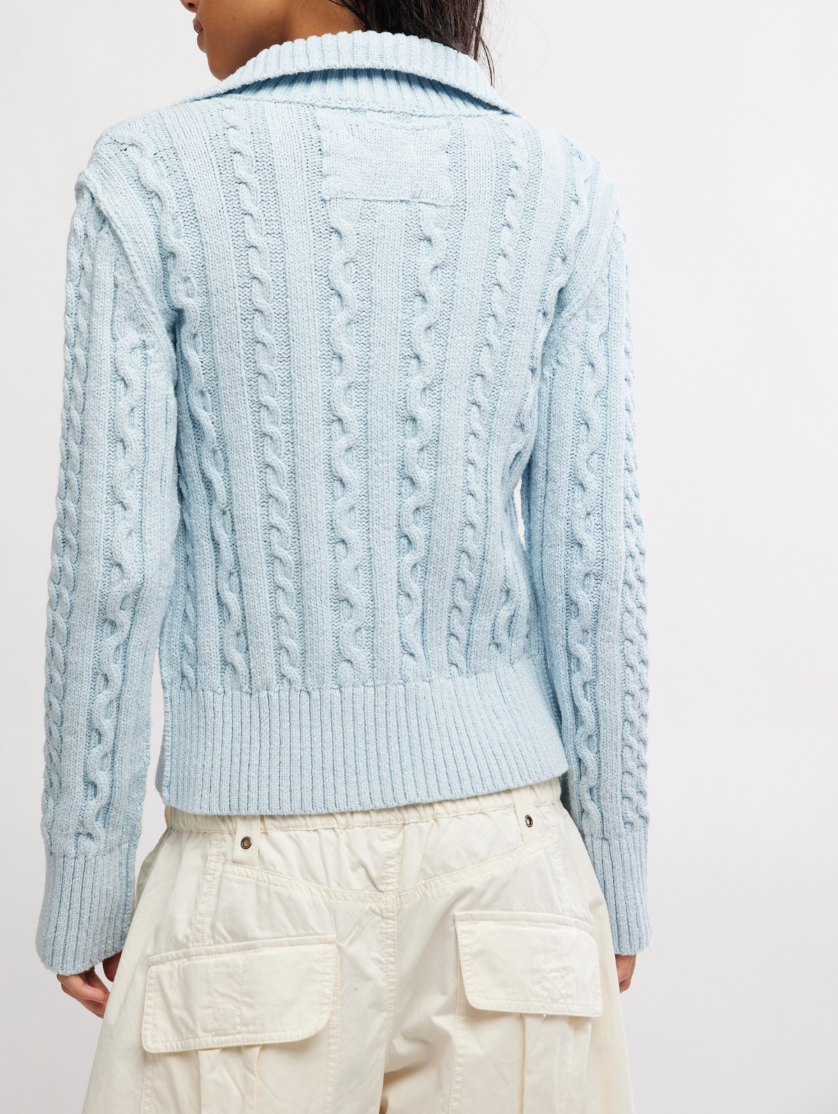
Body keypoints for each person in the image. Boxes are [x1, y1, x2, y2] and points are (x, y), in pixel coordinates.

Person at [37, 0, 650, 1109]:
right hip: (518, 885)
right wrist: (615, 873)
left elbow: (111, 565)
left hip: (251, 884)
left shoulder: (151, 177)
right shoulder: (563, 187)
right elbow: (593, 566)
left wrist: (86, 875)